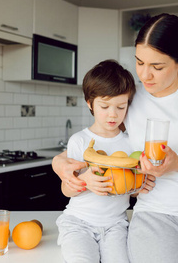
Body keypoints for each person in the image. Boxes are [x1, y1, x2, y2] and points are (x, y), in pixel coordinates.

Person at [53, 13, 178, 262]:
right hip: (155, 215)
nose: (145, 75)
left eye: (157, 67)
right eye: (139, 62)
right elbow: (94, 141)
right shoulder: (128, 98)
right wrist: (60, 165)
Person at [56, 59, 155, 263]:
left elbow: (130, 190)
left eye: (121, 106)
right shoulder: (80, 141)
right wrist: (85, 182)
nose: (113, 114)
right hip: (78, 223)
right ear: (90, 103)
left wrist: (140, 186)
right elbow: (66, 190)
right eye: (105, 106)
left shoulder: (131, 144)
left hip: (116, 225)